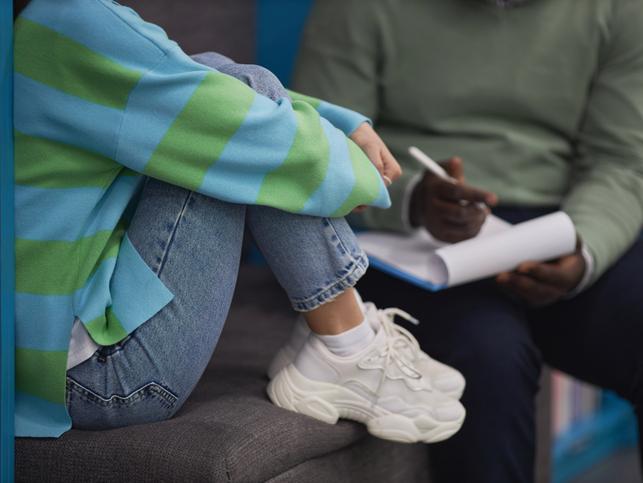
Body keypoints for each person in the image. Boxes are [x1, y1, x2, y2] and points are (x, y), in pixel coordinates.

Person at [14, 0, 467, 445]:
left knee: (238, 93)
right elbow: (232, 114)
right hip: (97, 381)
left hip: (43, 361)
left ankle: (342, 342)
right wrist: (359, 172)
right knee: (240, 117)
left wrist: (340, 123)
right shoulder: (69, 20)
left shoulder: (34, 24)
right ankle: (347, 345)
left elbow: (184, 73)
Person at [293, 0, 643, 481]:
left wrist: (583, 250)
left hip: (564, 222)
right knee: (487, 357)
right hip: (406, 239)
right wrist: (410, 198)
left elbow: (623, 159)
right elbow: (317, 150)